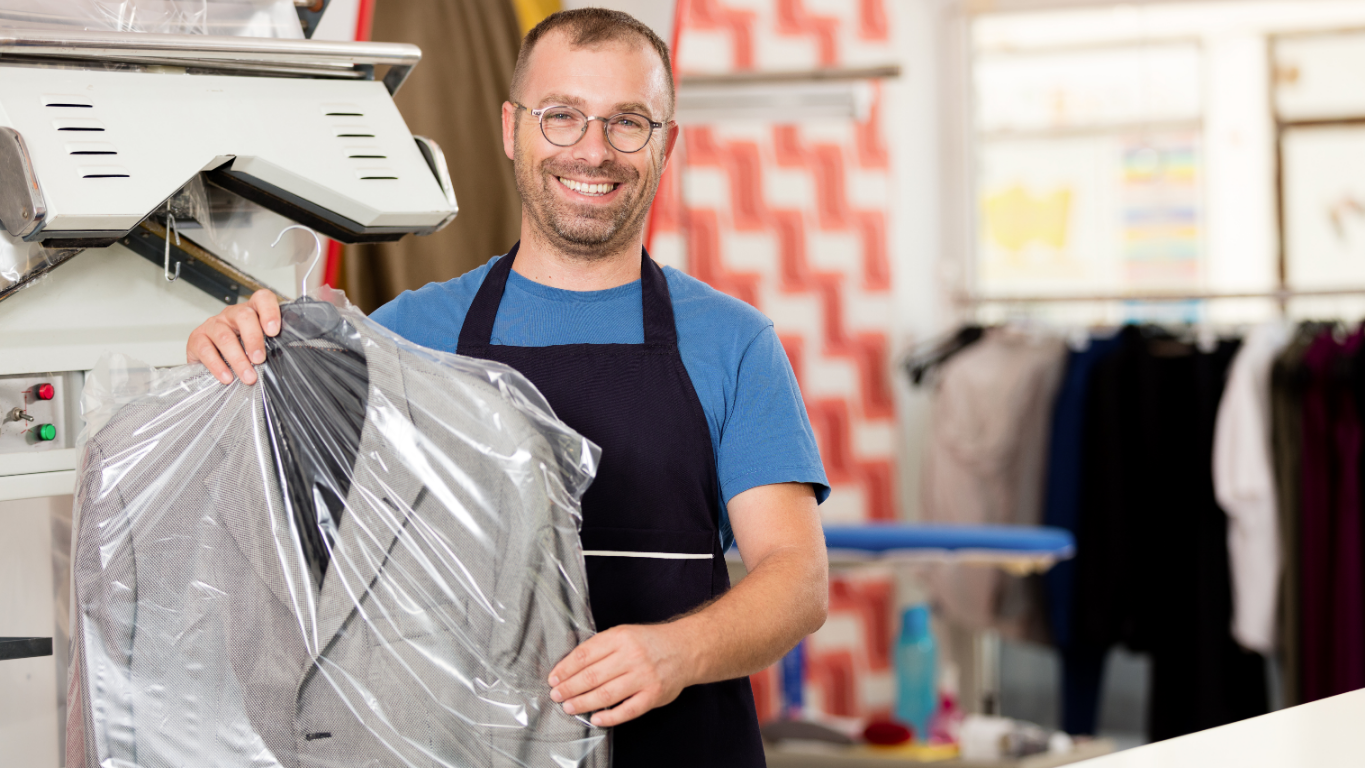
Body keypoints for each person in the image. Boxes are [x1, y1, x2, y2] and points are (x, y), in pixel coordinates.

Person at [187, 8, 829, 767]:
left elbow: (798, 579)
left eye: (628, 122)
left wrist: (676, 654)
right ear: (511, 128)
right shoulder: (406, 334)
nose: (593, 151)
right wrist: (237, 358)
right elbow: (288, 532)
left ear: (667, 144)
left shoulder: (732, 341)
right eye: (561, 117)